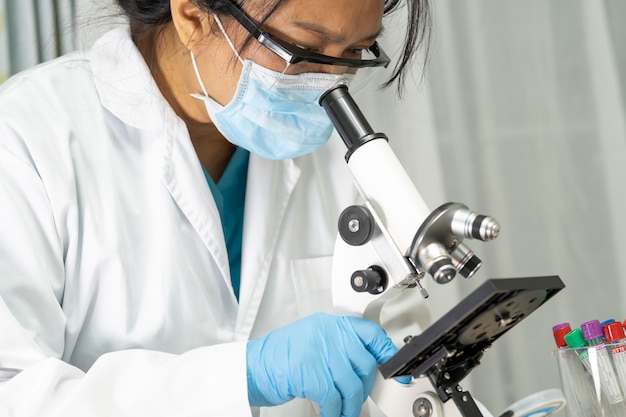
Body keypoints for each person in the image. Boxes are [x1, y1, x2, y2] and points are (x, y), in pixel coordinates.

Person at [0, 0, 431, 416]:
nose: (328, 83)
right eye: (303, 51)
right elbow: (13, 395)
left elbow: (405, 371)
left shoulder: (336, 150)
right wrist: (242, 376)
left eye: (354, 53)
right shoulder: (26, 141)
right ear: (191, 16)